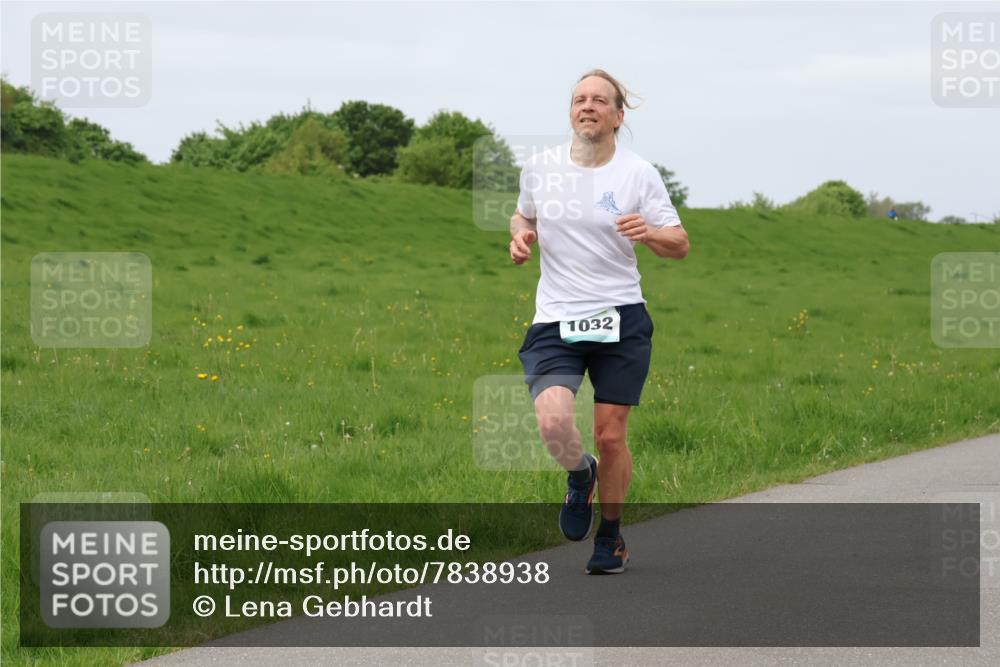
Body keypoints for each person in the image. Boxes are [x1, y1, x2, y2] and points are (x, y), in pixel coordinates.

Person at [509, 69, 690, 574]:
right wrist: (520, 236)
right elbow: (524, 215)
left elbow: (680, 243)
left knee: (611, 437)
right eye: (578, 99)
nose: (587, 106)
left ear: (617, 115)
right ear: (571, 111)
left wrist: (650, 232)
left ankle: (610, 536)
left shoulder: (638, 173)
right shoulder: (540, 168)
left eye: (598, 100)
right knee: (552, 423)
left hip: (620, 317)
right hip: (556, 318)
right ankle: (578, 471)